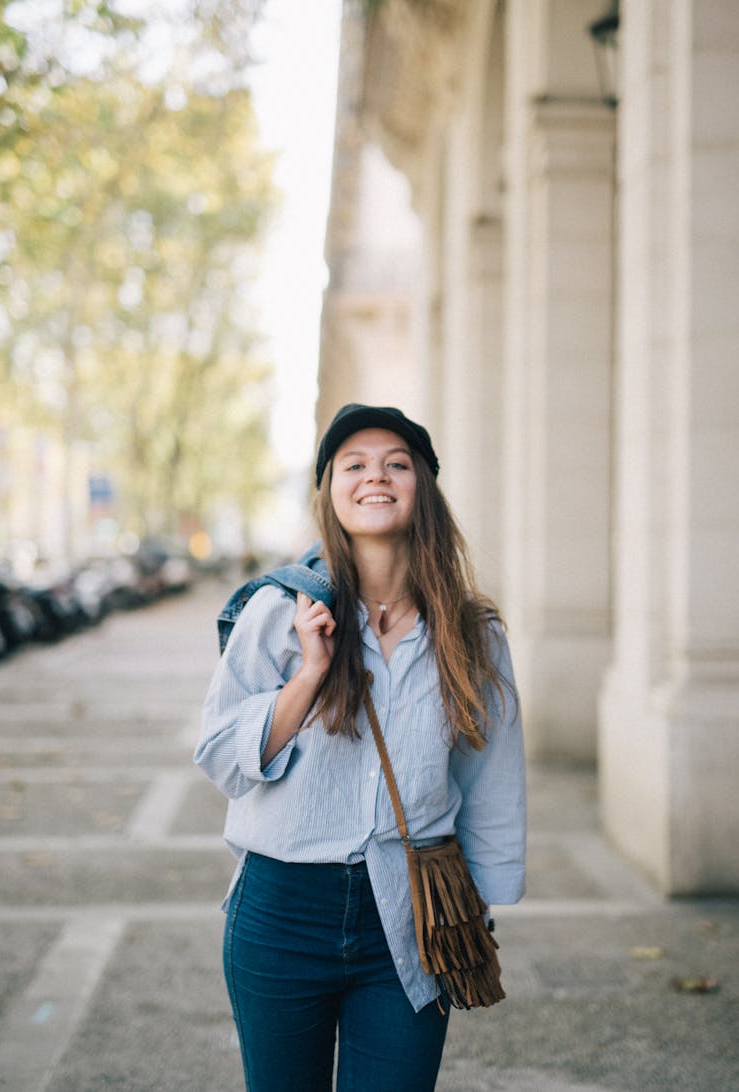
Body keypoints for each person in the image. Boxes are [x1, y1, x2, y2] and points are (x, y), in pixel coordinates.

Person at [194, 403, 526, 1092]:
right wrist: (311, 673)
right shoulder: (278, 613)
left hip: (411, 912)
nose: (376, 476)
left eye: (397, 463)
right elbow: (223, 756)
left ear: (423, 490)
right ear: (330, 492)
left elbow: (490, 773)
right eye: (355, 464)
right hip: (281, 909)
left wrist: (479, 908)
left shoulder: (473, 630)